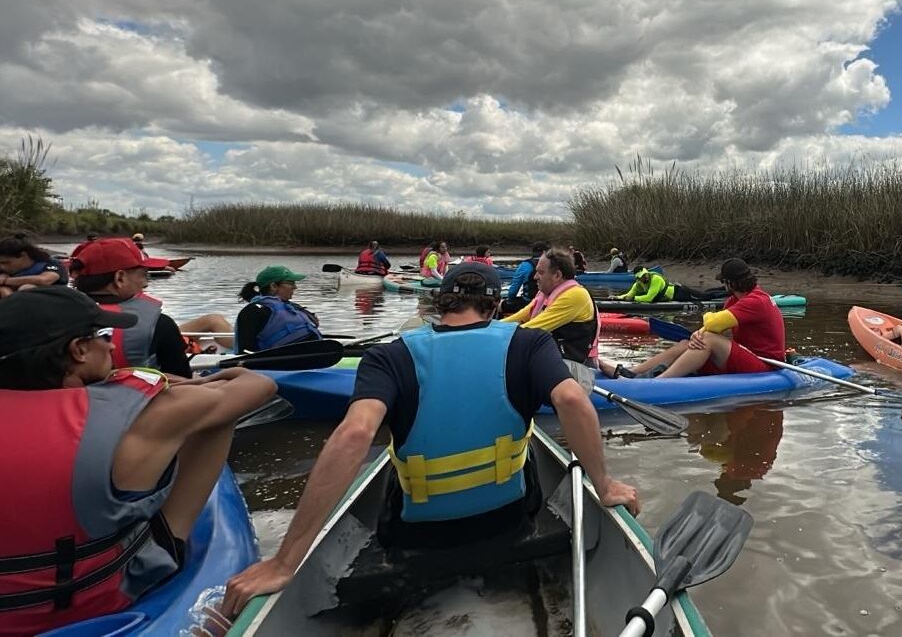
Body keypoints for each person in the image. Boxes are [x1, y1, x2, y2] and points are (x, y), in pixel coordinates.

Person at [220, 262, 639, 614]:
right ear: (494, 306)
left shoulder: (390, 355)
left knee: (392, 454)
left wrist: (284, 559)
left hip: (416, 538)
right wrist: (603, 485)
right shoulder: (530, 343)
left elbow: (354, 435)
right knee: (525, 445)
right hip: (508, 522)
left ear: (440, 304)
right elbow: (572, 400)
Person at [0, 288, 274, 635]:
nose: (113, 346)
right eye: (102, 336)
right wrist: (206, 380)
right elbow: (258, 387)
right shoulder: (140, 416)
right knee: (216, 415)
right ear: (79, 350)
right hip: (93, 602)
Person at [604, 259, 786, 378]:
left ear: (730, 282)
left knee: (708, 339)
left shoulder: (756, 300)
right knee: (687, 342)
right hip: (749, 356)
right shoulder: (734, 299)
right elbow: (712, 328)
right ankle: (632, 373)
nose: (722, 285)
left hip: (767, 365)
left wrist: (707, 324)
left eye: (723, 282)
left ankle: (657, 383)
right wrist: (697, 335)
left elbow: (712, 323)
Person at [68, 237, 193, 377]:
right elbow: (183, 378)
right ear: (120, 278)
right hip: (138, 397)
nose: (146, 283)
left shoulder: (54, 318)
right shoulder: (160, 324)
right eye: (144, 275)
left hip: (72, 397)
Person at [503, 249, 600, 365]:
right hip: (555, 361)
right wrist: (486, 328)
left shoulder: (575, 295)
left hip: (575, 367)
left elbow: (530, 330)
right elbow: (519, 317)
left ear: (557, 275)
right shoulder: (543, 294)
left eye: (541, 272)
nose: (535, 277)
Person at [235, 265, 322, 352]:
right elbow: (245, 349)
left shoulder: (292, 307)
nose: (295, 287)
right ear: (273, 286)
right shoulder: (254, 311)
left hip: (312, 354)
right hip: (281, 360)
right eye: (291, 283)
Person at [0, 236, 69, 298]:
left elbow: (45, 280)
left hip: (52, 300)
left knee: (27, 288)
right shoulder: (3, 271)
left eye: (6, 263)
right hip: (12, 304)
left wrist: (6, 280)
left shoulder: (49, 263)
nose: (2, 267)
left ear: (22, 255)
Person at [504, 242, 549, 314]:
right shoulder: (552, 264)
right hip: (548, 302)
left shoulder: (525, 265)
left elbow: (513, 289)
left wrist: (510, 300)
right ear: (545, 252)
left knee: (502, 305)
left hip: (529, 302)